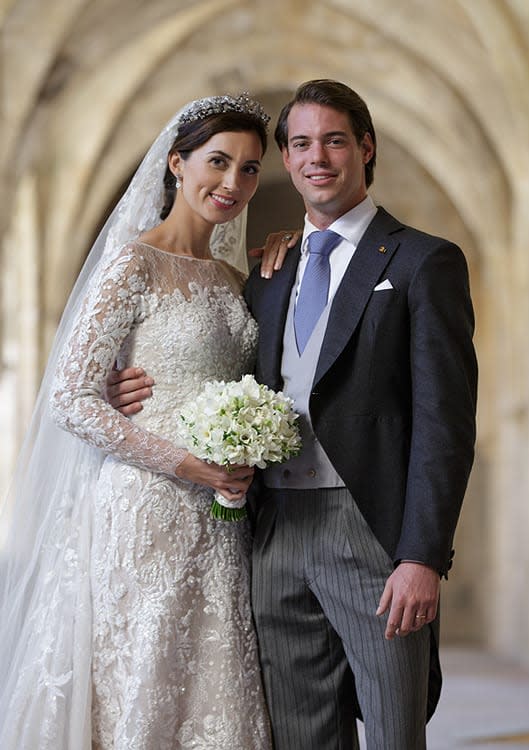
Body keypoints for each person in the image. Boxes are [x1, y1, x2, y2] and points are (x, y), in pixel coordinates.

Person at [108, 79, 478, 750]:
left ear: (364, 148)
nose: (317, 157)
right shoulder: (268, 271)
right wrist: (119, 386)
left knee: (395, 732)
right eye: (300, 143)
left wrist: (421, 556)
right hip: (272, 532)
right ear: (286, 158)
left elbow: (444, 422)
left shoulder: (425, 262)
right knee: (299, 733)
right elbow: (210, 366)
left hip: (368, 532)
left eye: (334, 140)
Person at [0, 94, 274, 749]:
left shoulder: (234, 278)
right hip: (145, 508)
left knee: (211, 683)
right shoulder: (133, 263)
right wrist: (189, 465)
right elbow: (72, 398)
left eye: (249, 168)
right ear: (176, 164)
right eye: (217, 162)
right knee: (144, 681)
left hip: (220, 519)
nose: (232, 182)